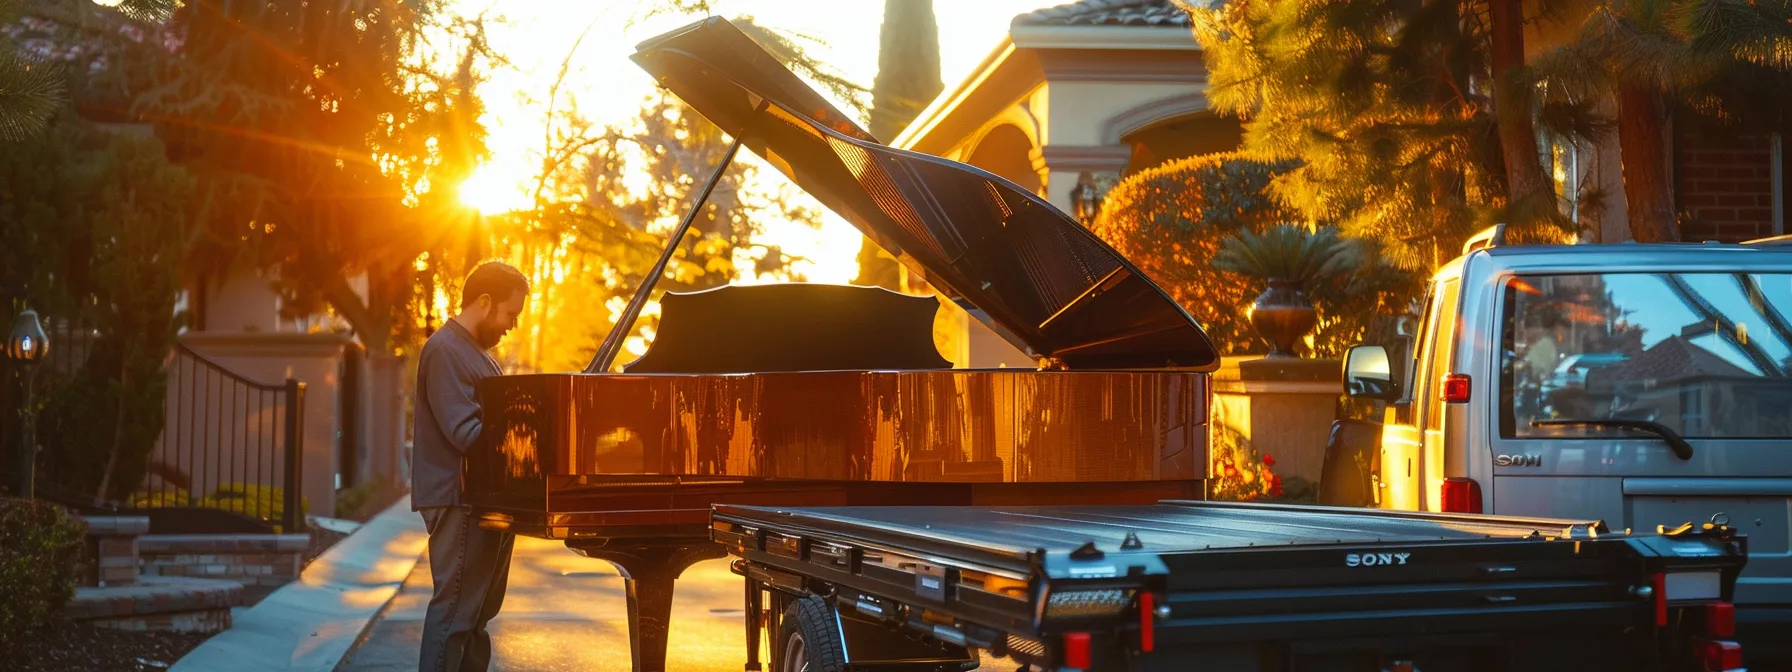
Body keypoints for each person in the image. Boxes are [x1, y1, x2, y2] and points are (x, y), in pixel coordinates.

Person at [413, 261, 529, 672]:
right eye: (509, 314)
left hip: (482, 502)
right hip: (459, 500)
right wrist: (523, 427)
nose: (512, 325)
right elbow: (466, 432)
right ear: (484, 302)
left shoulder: (475, 353)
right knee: (455, 616)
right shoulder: (446, 350)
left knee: (477, 619)